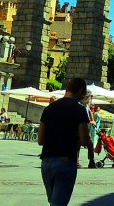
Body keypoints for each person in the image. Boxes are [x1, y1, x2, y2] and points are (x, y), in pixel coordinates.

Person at [37, 78, 91, 206]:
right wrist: (88, 143)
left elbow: (40, 140)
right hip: (65, 162)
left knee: (54, 202)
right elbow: (84, 140)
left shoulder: (49, 108)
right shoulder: (80, 110)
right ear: (80, 92)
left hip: (46, 163)